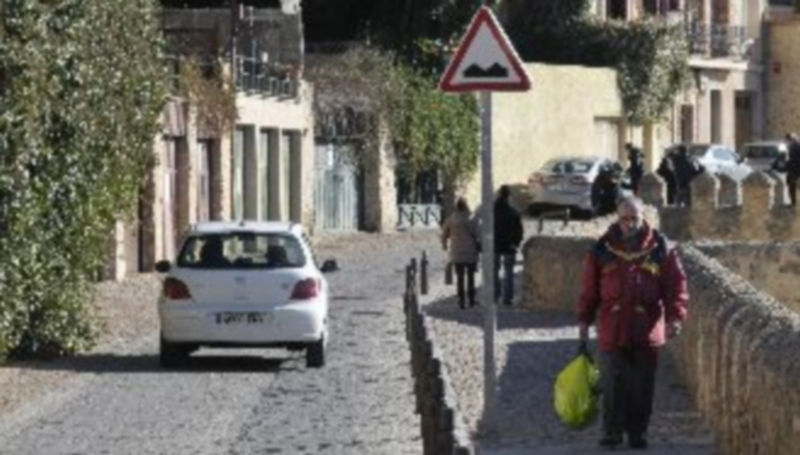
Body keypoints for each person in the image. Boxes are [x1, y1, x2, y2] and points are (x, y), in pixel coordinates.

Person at [577, 195, 688, 450]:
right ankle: (612, 431)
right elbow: (589, 289)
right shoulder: (602, 249)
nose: (629, 224)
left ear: (643, 218)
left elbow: (676, 285)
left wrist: (675, 316)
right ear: (618, 218)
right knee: (613, 382)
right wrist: (583, 320)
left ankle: (638, 432)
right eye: (624, 219)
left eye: (634, 218)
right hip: (612, 327)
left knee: (641, 385)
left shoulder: (661, 248)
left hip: (645, 327)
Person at [441, 197, 480, 309]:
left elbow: (444, 234)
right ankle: (471, 299)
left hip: (456, 251)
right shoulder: (471, 219)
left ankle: (461, 300)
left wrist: (444, 245)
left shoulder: (451, 219)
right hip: (470, 251)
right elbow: (477, 233)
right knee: (471, 277)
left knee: (460, 278)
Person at [494, 185, 523, 306]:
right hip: (509, 246)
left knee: (493, 271)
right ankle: (507, 298)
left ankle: (495, 296)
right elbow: (519, 231)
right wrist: (516, 243)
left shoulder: (492, 212)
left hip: (494, 245)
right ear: (508, 196)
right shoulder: (514, 212)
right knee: (509, 272)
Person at [785, 133, 800, 206]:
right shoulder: (796, 145)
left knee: (792, 186)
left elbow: (791, 158)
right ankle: (793, 202)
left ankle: (793, 203)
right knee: (793, 186)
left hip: (794, 169)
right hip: (795, 168)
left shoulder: (793, 146)